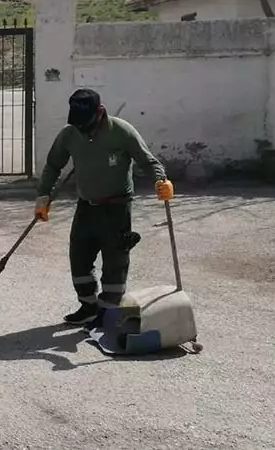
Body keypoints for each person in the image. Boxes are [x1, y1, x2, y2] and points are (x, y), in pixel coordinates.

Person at [35, 87, 174, 329]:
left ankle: (108, 312)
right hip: (85, 207)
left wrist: (161, 181)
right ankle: (88, 307)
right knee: (79, 259)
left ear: (100, 111)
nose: (82, 129)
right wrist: (43, 196)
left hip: (116, 209)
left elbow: (148, 161)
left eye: (86, 123)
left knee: (115, 261)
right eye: (77, 124)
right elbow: (53, 165)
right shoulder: (70, 134)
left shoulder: (121, 132)